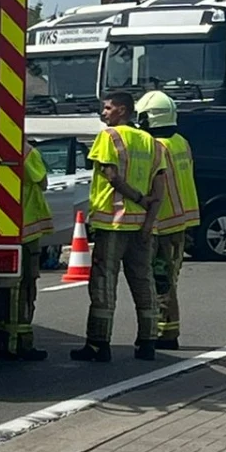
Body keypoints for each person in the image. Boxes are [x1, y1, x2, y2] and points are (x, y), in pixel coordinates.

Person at [77, 90, 166, 362]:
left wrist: (136, 197)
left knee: (104, 283)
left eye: (108, 108)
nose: (103, 113)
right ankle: (148, 342)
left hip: (113, 223)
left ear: (123, 110)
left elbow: (112, 176)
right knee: (143, 282)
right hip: (141, 225)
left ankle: (98, 344)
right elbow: (159, 187)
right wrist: (148, 222)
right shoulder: (151, 141)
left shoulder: (109, 137)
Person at [0, 139, 54, 360]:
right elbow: (42, 182)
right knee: (23, 288)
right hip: (25, 229)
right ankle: (18, 343)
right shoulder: (27, 151)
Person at [136, 91, 199, 350]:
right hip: (182, 219)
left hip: (163, 221)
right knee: (169, 277)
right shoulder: (181, 141)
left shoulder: (157, 147)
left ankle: (166, 332)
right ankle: (166, 329)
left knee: (161, 279)